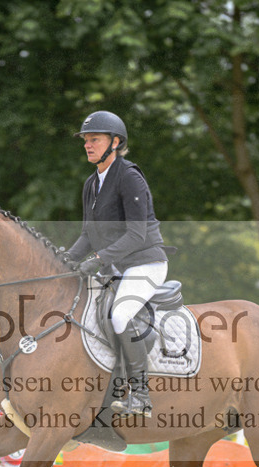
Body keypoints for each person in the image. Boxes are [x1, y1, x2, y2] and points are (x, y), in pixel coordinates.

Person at [64, 111, 170, 418]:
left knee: (120, 314)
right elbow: (88, 233)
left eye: (94, 139)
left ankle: (140, 394)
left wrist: (97, 260)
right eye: (86, 140)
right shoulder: (91, 183)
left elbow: (136, 235)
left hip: (145, 263)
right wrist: (67, 259)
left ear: (115, 142)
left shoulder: (129, 177)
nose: (88, 145)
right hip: (116, 268)